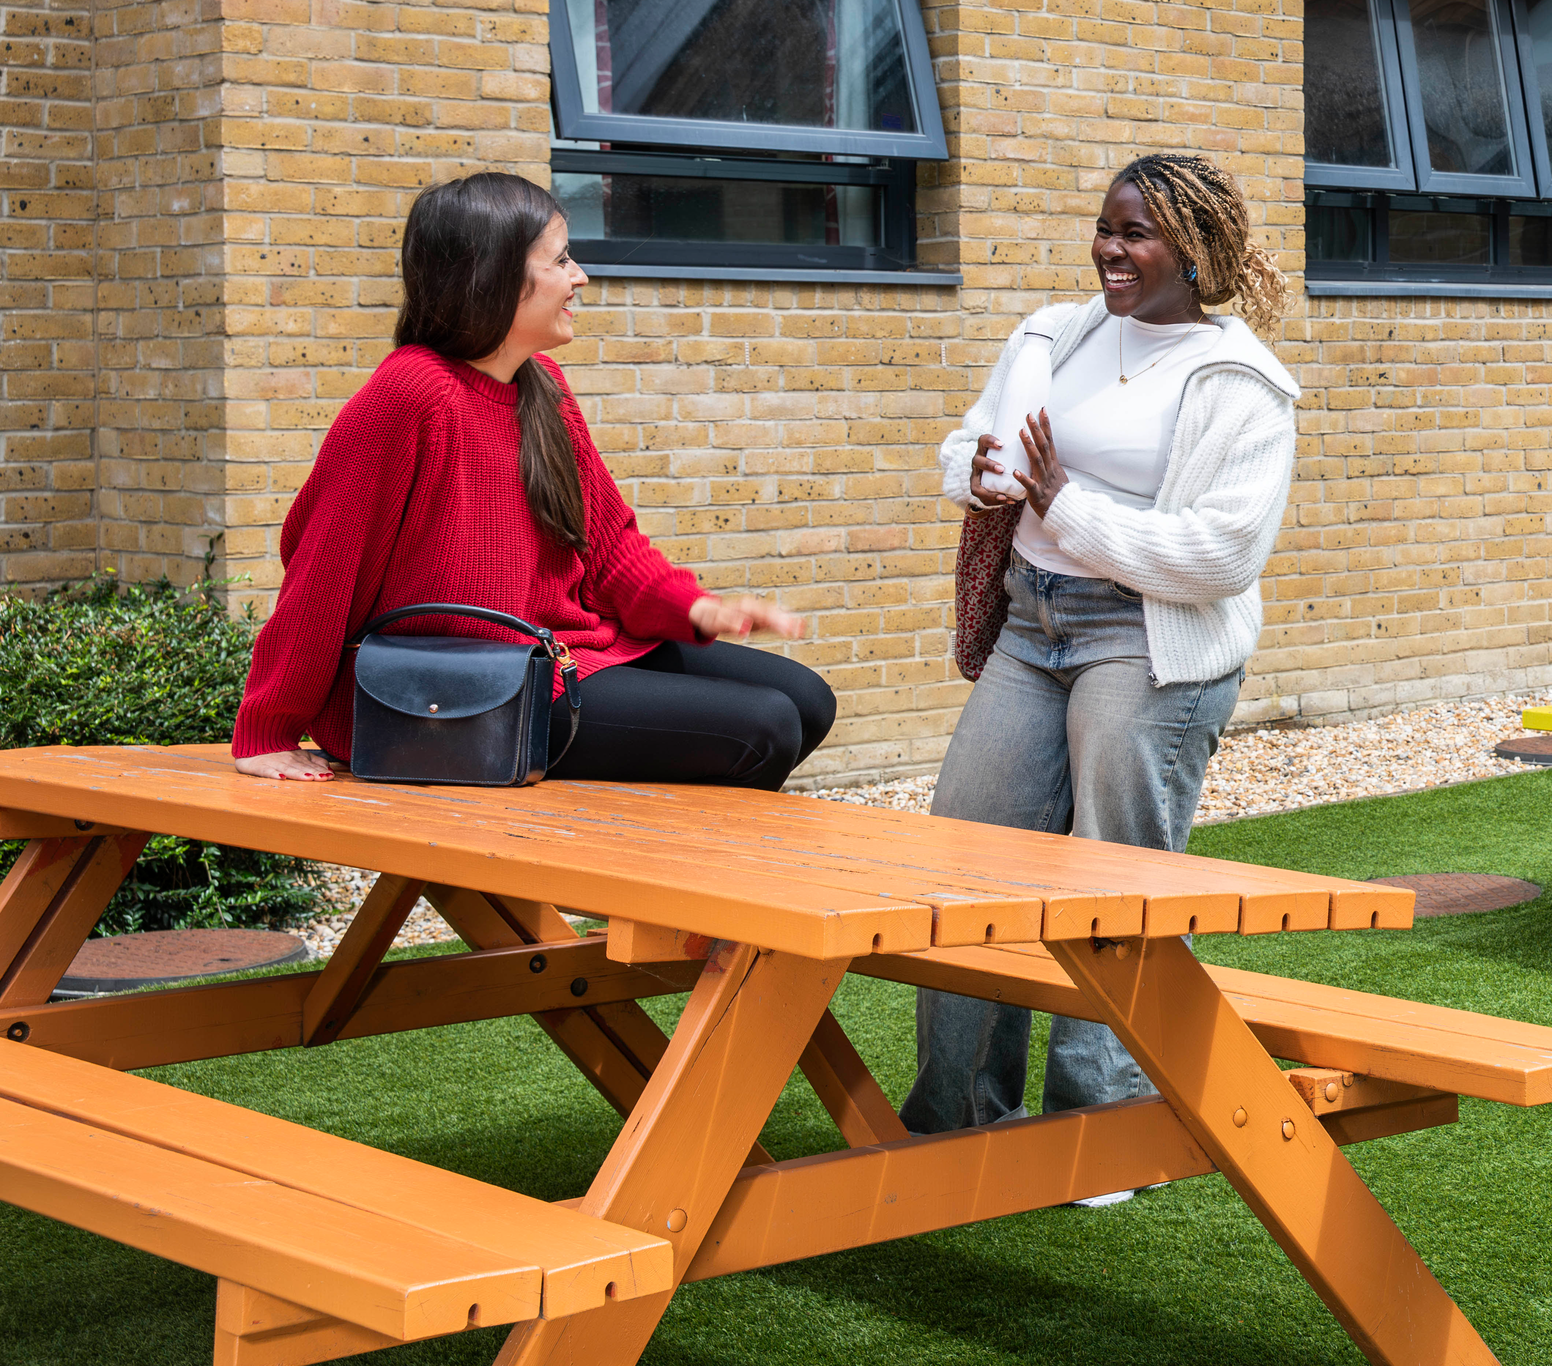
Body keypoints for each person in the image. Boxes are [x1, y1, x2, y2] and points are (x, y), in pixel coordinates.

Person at [905, 153, 1297, 1170]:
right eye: (1105, 227)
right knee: (963, 861)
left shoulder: (1243, 384)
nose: (1109, 251)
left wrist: (1060, 502)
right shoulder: (1052, 331)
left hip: (1147, 635)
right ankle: (955, 1119)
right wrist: (991, 475)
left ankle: (1103, 1133)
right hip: (1032, 626)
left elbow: (1221, 555)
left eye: (1135, 233)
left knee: (1115, 881)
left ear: (1196, 249)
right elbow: (965, 447)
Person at [233, 173, 829, 786]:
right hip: (462, 691)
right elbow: (324, 567)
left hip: (562, 656)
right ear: (491, 277)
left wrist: (696, 608)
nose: (580, 277)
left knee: (808, 700)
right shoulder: (409, 396)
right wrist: (268, 728)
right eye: (561, 260)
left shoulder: (541, 387)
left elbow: (608, 545)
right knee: (766, 725)